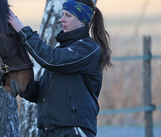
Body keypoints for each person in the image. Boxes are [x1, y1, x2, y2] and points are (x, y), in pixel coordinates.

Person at [8, 0, 112, 136]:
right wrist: (27, 88)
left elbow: (51, 60)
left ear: (82, 20)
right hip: (48, 130)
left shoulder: (88, 49)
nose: (62, 20)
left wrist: (22, 30)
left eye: (68, 15)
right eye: (62, 14)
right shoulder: (62, 48)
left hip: (73, 130)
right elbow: (48, 93)